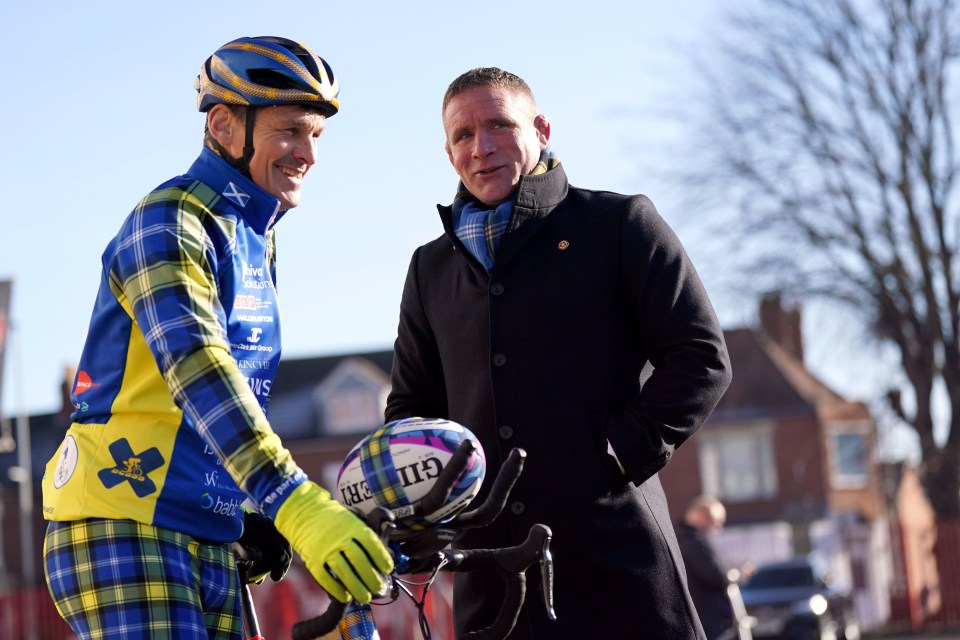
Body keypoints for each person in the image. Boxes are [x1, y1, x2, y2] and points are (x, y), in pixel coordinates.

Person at [41, 36, 392, 639]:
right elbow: (199, 369)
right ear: (226, 125)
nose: (307, 152)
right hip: (121, 520)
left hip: (202, 531)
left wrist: (246, 510)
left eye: (316, 135)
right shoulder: (170, 219)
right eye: (290, 131)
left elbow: (226, 406)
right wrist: (294, 501)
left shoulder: (254, 235)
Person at [385, 67, 733, 639]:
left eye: (500, 124)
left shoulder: (619, 225)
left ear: (541, 129)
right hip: (490, 576)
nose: (483, 147)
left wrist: (620, 453)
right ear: (449, 154)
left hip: (617, 560)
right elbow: (411, 409)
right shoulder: (430, 269)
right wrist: (429, 506)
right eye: (463, 136)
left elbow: (700, 355)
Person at [676, 496, 736, 640]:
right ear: (704, 517)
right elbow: (716, 575)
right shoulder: (693, 541)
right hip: (707, 622)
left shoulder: (681, 538)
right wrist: (736, 575)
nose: (718, 528)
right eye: (717, 522)